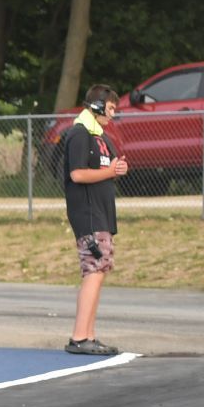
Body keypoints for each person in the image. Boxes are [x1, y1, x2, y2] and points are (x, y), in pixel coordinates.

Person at [64, 83, 128, 355]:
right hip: (88, 214)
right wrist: (111, 171)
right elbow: (77, 174)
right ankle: (80, 337)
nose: (113, 114)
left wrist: (118, 168)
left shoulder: (100, 135)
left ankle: (88, 334)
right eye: (111, 108)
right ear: (98, 105)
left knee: (99, 270)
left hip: (102, 213)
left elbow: (109, 167)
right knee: (93, 270)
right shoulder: (79, 134)